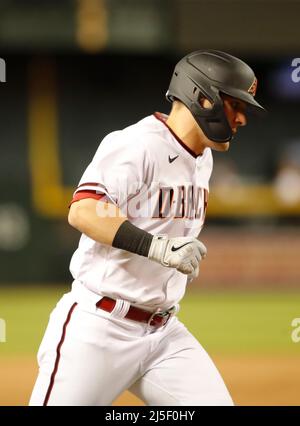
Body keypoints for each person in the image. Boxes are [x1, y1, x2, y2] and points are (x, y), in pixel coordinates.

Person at [29, 50, 265, 406]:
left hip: (164, 333)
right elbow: (85, 210)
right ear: (203, 97)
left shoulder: (204, 159)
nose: (243, 118)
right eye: (236, 104)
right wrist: (157, 247)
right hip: (99, 327)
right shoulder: (138, 143)